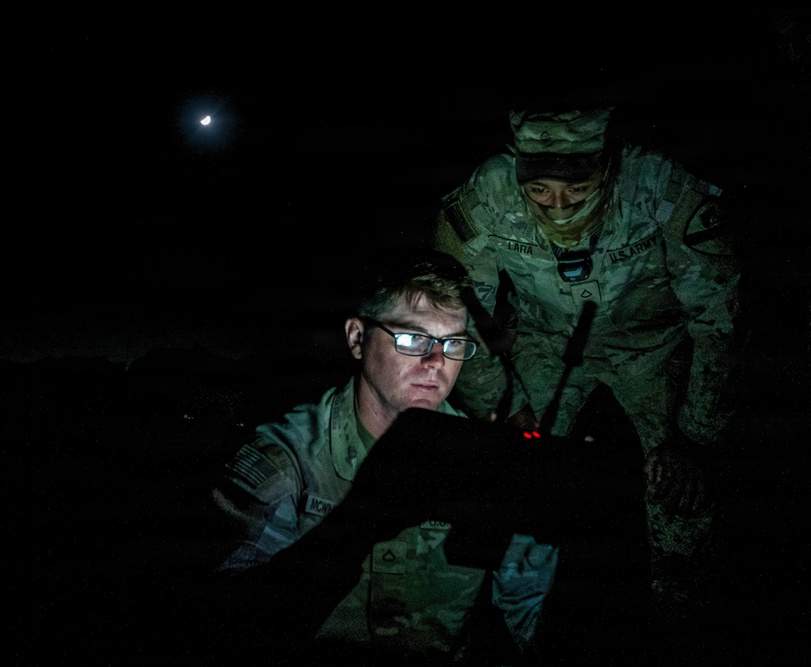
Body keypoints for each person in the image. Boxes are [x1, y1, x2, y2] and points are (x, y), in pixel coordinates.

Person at [194, 249, 582, 666]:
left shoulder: (487, 461)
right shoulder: (289, 458)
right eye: (413, 338)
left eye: (454, 344)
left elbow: (532, 621)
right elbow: (216, 624)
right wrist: (358, 523)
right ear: (357, 338)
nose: (437, 362)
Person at [434, 107, 744, 624]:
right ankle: (501, 621)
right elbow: (459, 315)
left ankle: (685, 617)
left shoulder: (660, 187)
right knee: (501, 471)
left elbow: (721, 320)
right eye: (540, 191)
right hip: (545, 340)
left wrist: (694, 438)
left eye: (576, 189)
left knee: (682, 495)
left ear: (606, 165)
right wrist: (503, 402)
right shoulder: (485, 194)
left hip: (653, 346)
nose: (558, 207)